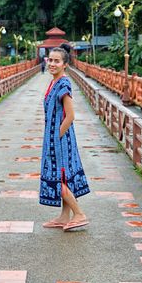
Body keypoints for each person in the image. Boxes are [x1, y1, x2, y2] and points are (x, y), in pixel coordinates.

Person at [39, 44, 90, 231]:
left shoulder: (64, 84)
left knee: (57, 176)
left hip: (60, 139)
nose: (52, 63)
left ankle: (79, 213)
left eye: (56, 61)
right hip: (55, 137)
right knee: (64, 176)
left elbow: (70, 116)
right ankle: (64, 216)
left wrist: (56, 138)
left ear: (65, 64)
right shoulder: (54, 81)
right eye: (50, 60)